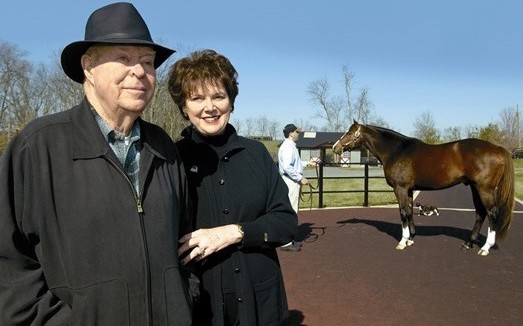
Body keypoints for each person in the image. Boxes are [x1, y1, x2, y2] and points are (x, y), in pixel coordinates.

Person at [0, 3, 192, 325]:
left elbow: (184, 242)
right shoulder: (38, 146)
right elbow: (8, 260)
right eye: (123, 58)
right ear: (88, 66)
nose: (140, 72)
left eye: (148, 62)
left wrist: (185, 300)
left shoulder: (165, 148)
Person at [169, 49, 298, 325]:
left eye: (218, 96)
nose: (210, 107)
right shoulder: (171, 160)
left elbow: (286, 222)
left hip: (259, 301)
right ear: (183, 106)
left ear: (232, 101)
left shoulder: (257, 154)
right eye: (197, 98)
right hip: (201, 303)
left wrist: (235, 232)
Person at [278, 123, 309, 251]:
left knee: (292, 209)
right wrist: (300, 177)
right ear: (291, 133)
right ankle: (286, 242)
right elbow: (287, 167)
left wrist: (308, 162)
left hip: (291, 181)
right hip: (290, 182)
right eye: (297, 132)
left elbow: (294, 164)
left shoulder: (290, 146)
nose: (298, 134)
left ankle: (289, 239)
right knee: (290, 211)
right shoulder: (288, 147)